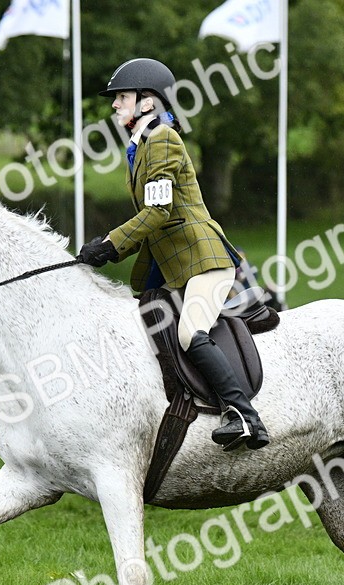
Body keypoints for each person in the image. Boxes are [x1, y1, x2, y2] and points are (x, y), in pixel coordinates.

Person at [75, 58, 267, 450]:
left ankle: (244, 416)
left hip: (204, 260)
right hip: (173, 266)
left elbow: (158, 213)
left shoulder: (163, 138)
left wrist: (110, 245)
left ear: (148, 102)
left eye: (122, 98)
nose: (114, 105)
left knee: (189, 332)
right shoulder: (142, 144)